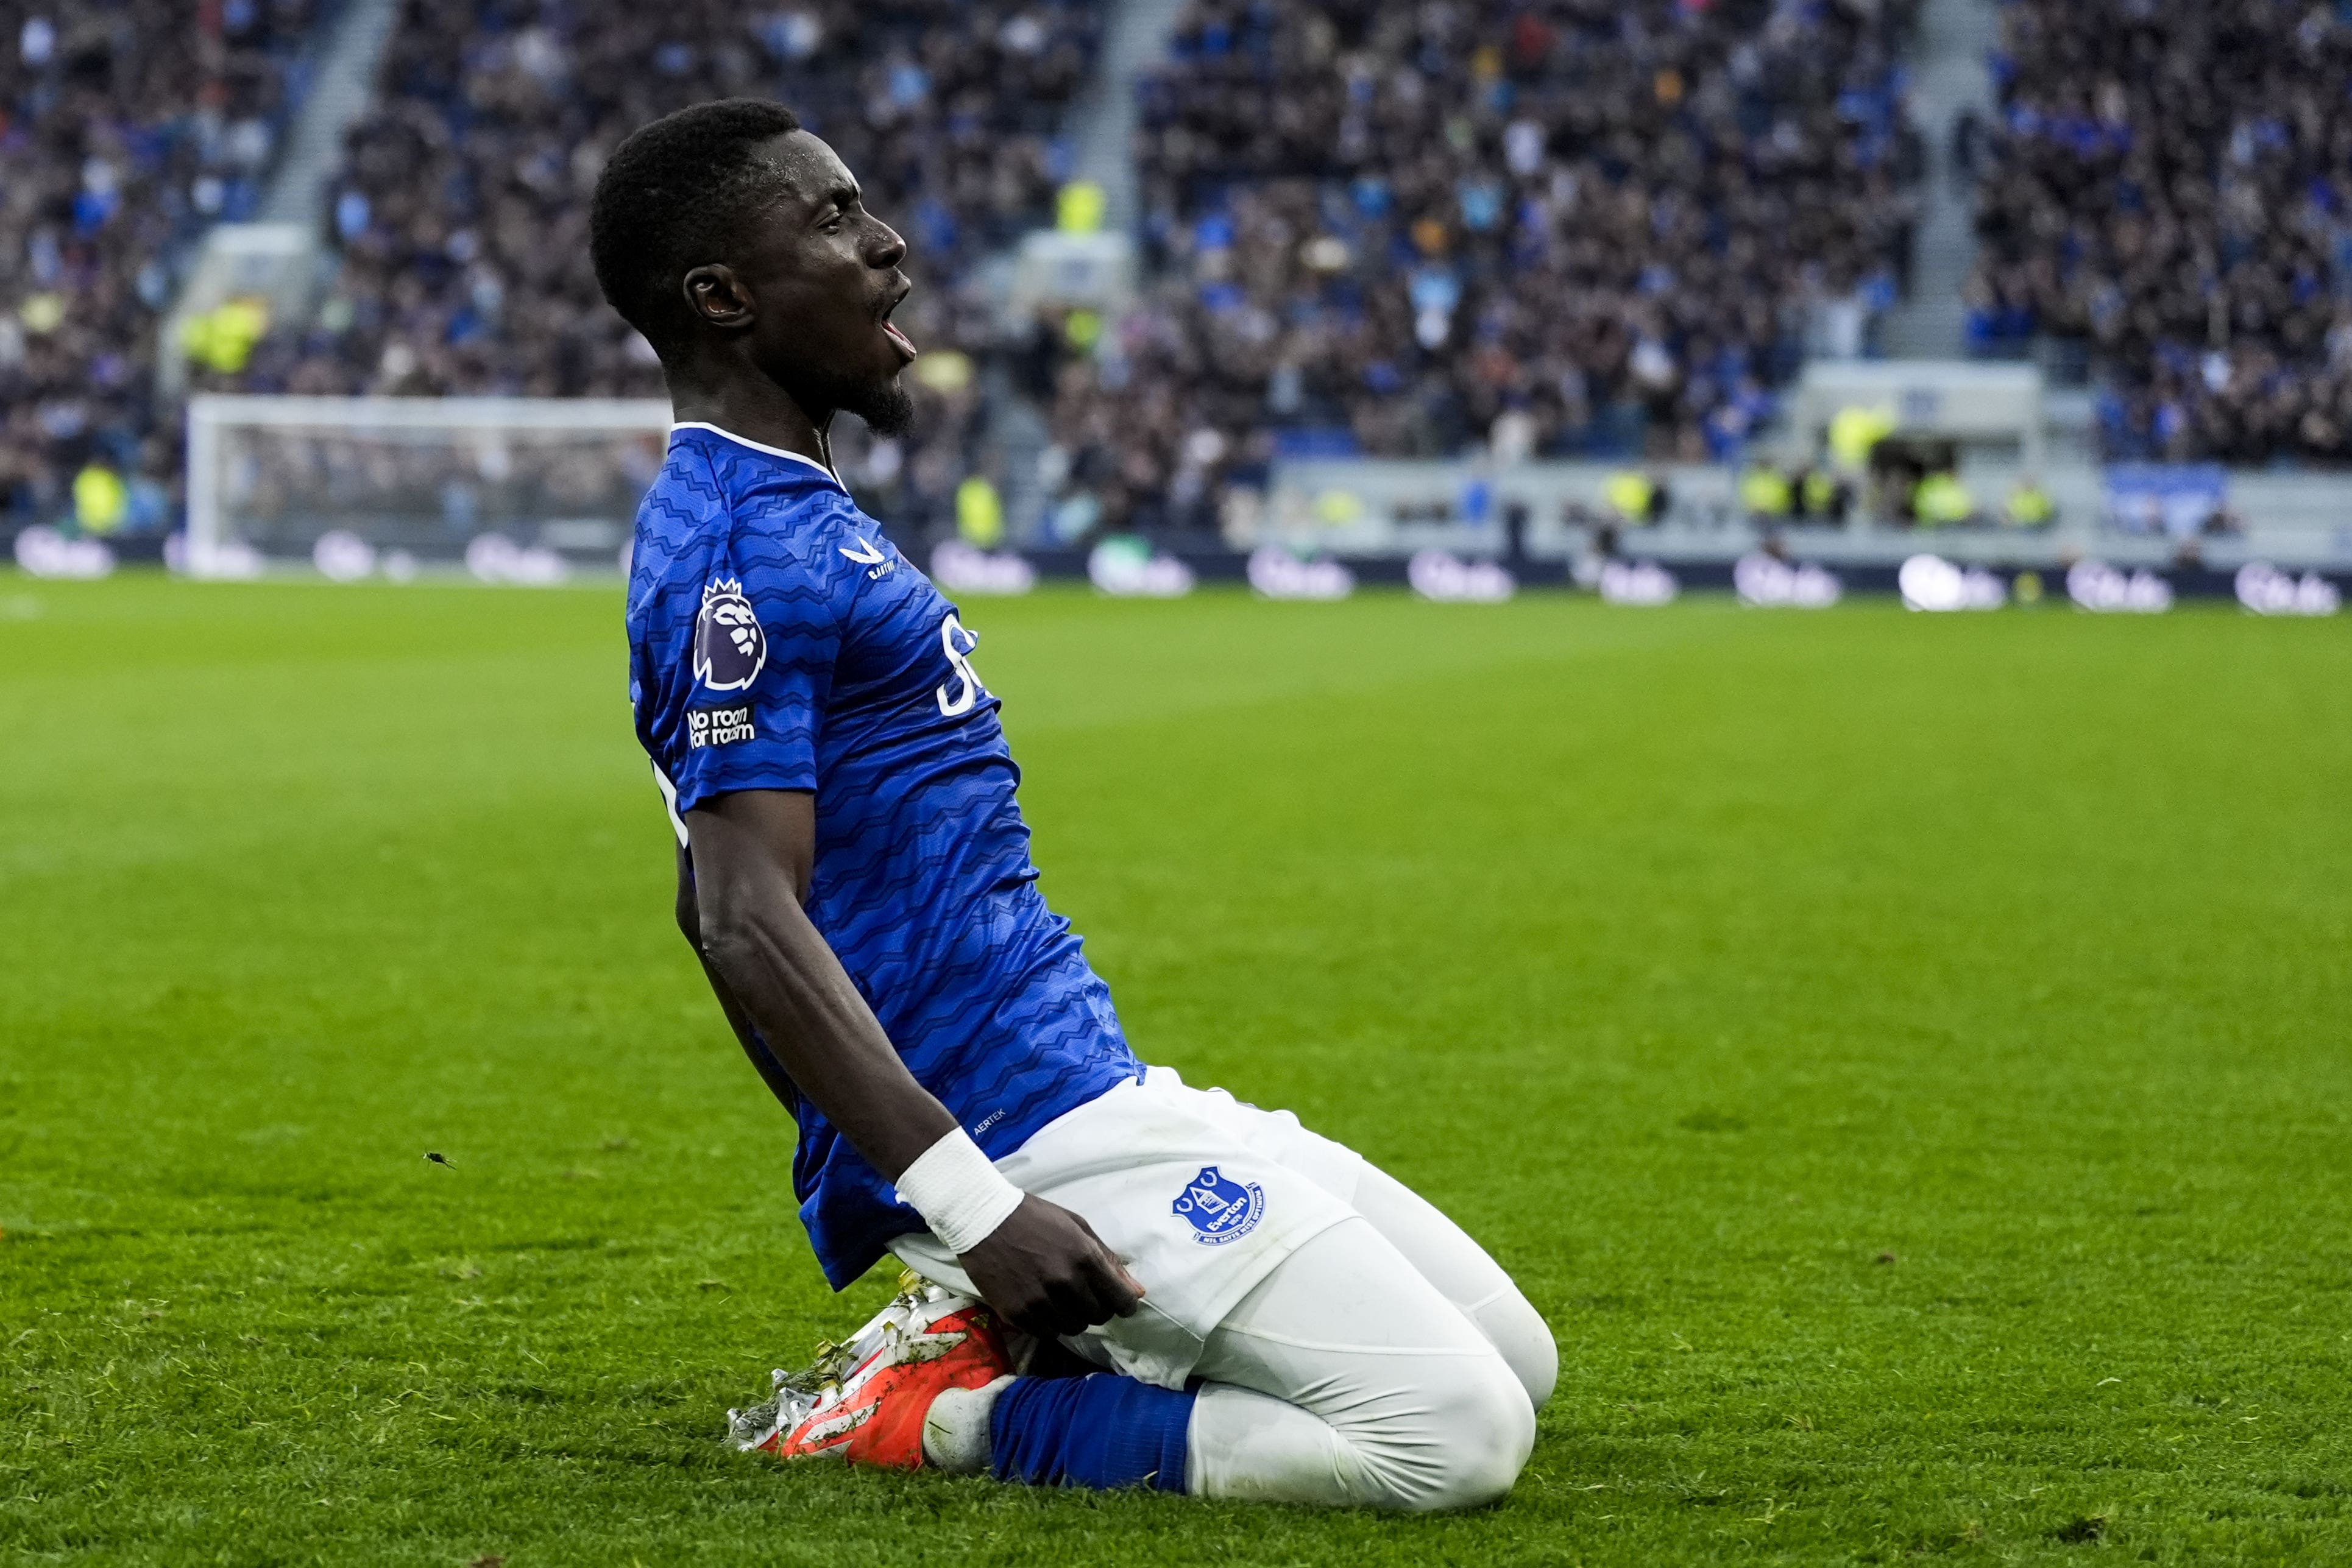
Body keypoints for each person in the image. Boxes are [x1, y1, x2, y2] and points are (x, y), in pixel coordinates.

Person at [591, 99, 1553, 1511]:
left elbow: (709, 901)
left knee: (1512, 1359)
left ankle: (1020, 1347)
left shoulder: (801, 512)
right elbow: (737, 913)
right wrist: (968, 1210)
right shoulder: (736, 547)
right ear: (724, 297)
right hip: (1018, 1133)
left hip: (1084, 1077)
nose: (888, 244)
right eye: (834, 218)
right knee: (1450, 1440)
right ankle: (932, 1415)